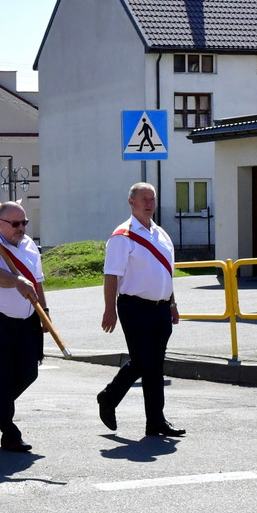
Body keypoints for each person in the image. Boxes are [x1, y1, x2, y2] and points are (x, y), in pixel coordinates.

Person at [97, 182, 185, 437]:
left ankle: (156, 421)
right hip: (133, 306)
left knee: (156, 365)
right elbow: (111, 275)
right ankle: (109, 398)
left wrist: (172, 303)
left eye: (152, 199)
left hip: (160, 308)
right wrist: (108, 309)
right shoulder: (122, 236)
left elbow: (166, 273)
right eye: (143, 199)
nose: (149, 203)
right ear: (131, 202)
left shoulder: (161, 234)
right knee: (142, 361)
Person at [0, 201, 47, 453]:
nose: (21, 228)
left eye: (24, 223)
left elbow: (37, 281)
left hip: (26, 319)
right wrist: (16, 281)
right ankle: (10, 433)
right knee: (2, 377)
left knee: (29, 372)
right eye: (15, 224)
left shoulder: (29, 245)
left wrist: (44, 312)